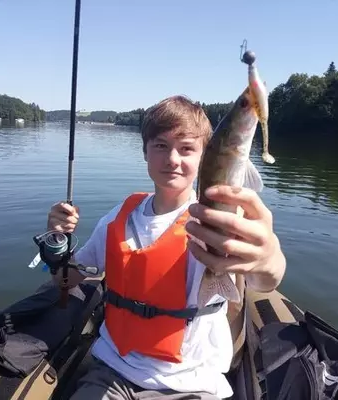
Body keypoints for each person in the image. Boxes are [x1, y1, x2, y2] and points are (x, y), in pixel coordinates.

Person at [47, 95, 286, 400]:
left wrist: (268, 259)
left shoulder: (220, 216)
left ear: (205, 156)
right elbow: (65, 280)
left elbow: (267, 280)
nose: (172, 159)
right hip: (112, 371)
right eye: (161, 146)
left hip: (192, 384)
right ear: (145, 151)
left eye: (187, 148)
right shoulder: (117, 218)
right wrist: (55, 239)